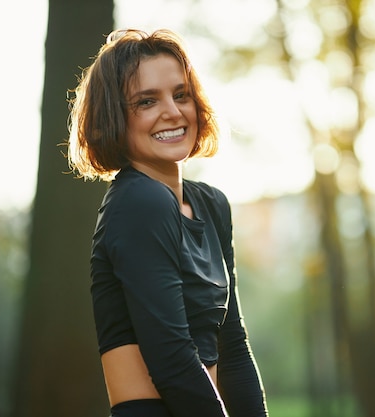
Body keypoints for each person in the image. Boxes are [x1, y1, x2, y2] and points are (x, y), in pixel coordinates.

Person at [67, 28, 269, 417]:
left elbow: (233, 344)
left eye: (181, 95)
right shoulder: (139, 202)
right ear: (114, 117)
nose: (173, 112)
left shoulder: (210, 204)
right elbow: (171, 359)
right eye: (146, 101)